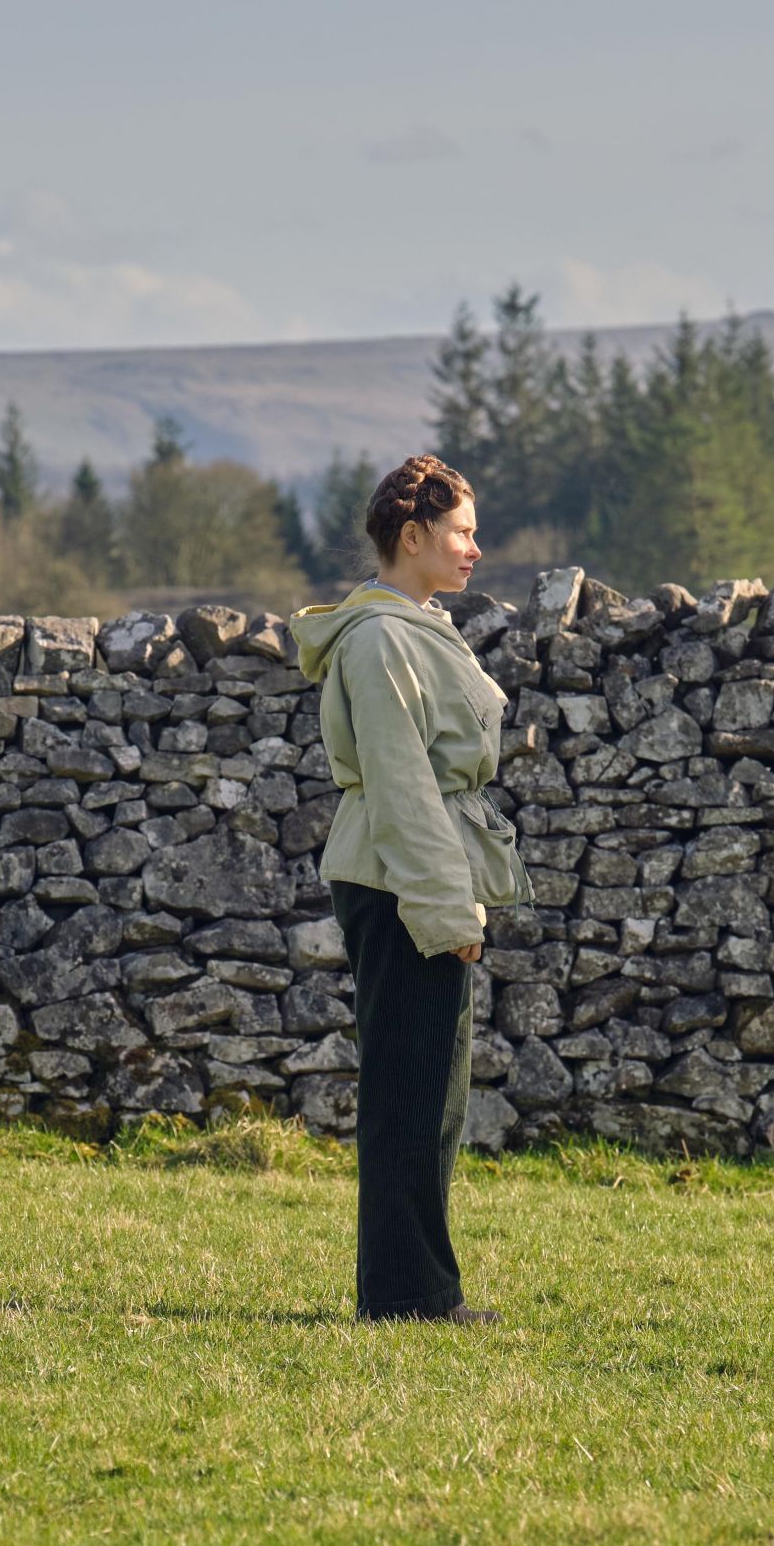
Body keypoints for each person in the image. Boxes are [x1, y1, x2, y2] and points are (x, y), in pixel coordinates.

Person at [291, 455, 532, 1324]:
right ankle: (405, 1294)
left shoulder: (417, 625)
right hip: (400, 883)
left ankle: (420, 1287)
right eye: (463, 531)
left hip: (412, 878)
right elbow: (403, 786)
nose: (476, 547)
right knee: (411, 1094)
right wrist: (443, 909)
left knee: (435, 1094)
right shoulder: (385, 638)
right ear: (413, 535)